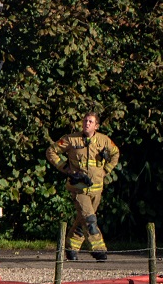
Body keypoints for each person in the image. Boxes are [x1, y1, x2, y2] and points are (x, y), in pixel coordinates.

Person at [48, 112, 120, 262]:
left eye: (90, 121)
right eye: (85, 121)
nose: (87, 123)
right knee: (89, 219)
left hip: (97, 188)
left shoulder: (104, 140)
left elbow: (115, 153)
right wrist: (66, 168)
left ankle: (71, 248)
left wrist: (106, 170)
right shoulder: (71, 139)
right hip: (78, 187)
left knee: (83, 219)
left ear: (96, 126)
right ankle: (99, 249)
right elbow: (51, 151)